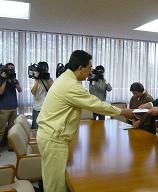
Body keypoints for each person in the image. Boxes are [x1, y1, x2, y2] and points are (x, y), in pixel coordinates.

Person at [36, 50, 133, 192]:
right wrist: (123, 111)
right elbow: (95, 104)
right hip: (54, 139)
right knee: (55, 186)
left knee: (53, 179)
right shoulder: (70, 85)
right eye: (89, 68)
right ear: (80, 67)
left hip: (51, 136)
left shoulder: (66, 79)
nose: (90, 72)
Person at [0, 63, 22, 147]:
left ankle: (11, 146)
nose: (11, 70)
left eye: (12, 68)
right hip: (3, 109)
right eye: (9, 69)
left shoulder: (14, 79)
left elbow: (20, 90)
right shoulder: (1, 79)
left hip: (13, 107)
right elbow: (1, 92)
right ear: (5, 70)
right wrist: (5, 79)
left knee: (12, 129)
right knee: (1, 130)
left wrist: (15, 81)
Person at [31, 61, 53, 129]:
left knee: (47, 128)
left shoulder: (49, 79)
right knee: (35, 129)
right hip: (37, 109)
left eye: (46, 69)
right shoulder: (35, 80)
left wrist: (47, 79)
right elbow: (33, 92)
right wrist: (37, 79)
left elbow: (52, 91)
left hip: (47, 108)